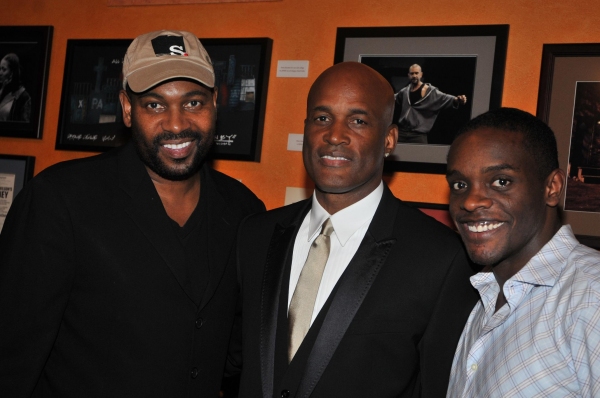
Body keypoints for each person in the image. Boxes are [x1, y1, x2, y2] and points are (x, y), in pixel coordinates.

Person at [0, 30, 264, 397]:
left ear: (215, 105)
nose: (176, 124)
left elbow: (234, 349)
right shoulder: (60, 199)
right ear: (127, 108)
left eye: (193, 103)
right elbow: (10, 355)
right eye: (155, 105)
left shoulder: (244, 210)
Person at [236, 62, 478, 398]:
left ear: (390, 139)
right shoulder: (255, 235)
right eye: (322, 118)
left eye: (358, 121)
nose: (334, 135)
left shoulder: (441, 258)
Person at [445, 107, 600, 397]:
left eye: (501, 181)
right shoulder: (485, 297)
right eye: (459, 184)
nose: (470, 201)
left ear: (551, 187)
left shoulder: (590, 297)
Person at [395, 64, 467, 144]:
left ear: (421, 74)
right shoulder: (405, 91)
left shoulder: (429, 91)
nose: (414, 76)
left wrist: (457, 99)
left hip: (418, 135)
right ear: (408, 75)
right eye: (412, 73)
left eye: (416, 73)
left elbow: (443, 97)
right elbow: (392, 98)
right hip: (401, 133)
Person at [0, 53, 31, 122]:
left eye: (4, 69)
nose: (0, 73)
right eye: (0, 69)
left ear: (12, 73)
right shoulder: (3, 91)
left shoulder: (23, 97)